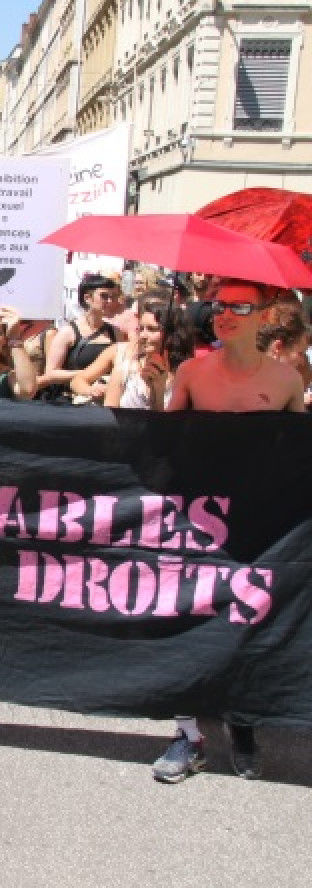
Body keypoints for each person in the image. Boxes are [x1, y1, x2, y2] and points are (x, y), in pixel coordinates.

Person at [152, 278, 306, 785]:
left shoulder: (285, 381)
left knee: (251, 623)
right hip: (200, 525)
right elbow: (163, 446)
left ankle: (243, 724)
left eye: (240, 306)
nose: (224, 314)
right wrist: (157, 388)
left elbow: (298, 456)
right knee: (184, 620)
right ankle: (187, 736)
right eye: (218, 306)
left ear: (264, 316)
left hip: (262, 526)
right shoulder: (194, 372)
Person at [38, 274, 121, 402]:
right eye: (104, 296)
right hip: (71, 400)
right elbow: (51, 372)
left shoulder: (116, 332)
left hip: (104, 399)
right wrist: (89, 374)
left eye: (113, 297)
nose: (110, 301)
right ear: (87, 298)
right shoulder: (68, 332)